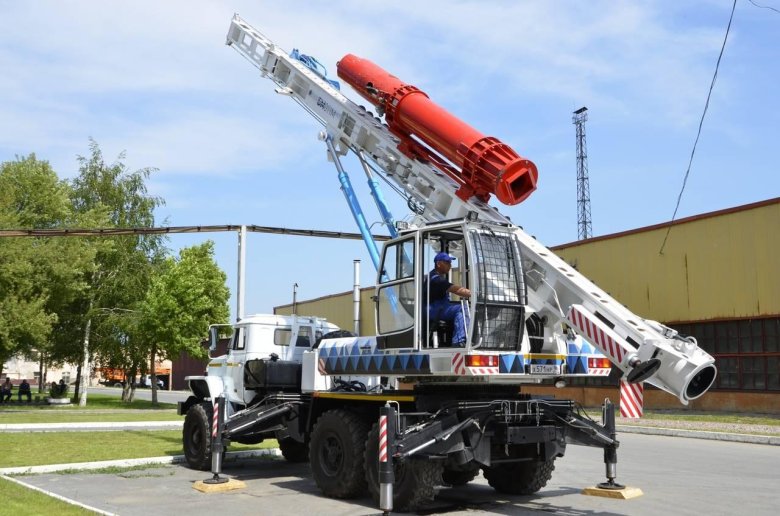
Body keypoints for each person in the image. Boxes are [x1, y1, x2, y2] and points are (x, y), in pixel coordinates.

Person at [427, 252, 471, 345]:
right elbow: (456, 289)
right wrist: (474, 293)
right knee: (462, 308)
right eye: (447, 262)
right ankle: (459, 341)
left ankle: (465, 336)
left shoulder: (436, 277)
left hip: (440, 308)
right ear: (438, 264)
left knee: (464, 306)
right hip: (434, 310)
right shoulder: (435, 278)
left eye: (450, 262)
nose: (450, 265)